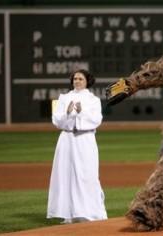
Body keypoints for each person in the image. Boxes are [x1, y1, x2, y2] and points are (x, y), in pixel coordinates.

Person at [47, 69, 107, 224]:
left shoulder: (93, 99)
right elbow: (56, 121)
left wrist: (81, 114)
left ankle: (90, 212)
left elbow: (96, 120)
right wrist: (67, 114)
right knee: (66, 175)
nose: (77, 81)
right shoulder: (63, 98)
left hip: (85, 140)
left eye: (80, 78)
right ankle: (70, 214)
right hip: (67, 140)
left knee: (87, 175)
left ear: (87, 81)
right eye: (75, 79)